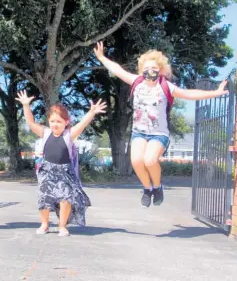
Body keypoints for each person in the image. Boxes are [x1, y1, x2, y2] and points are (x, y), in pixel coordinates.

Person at [93, 41, 228, 208]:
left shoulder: (166, 87)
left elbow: (189, 94)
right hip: (139, 132)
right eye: (147, 69)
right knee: (136, 161)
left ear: (161, 71)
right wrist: (101, 57)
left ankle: (157, 187)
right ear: (142, 69)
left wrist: (214, 93)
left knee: (150, 160)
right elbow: (117, 70)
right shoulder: (136, 82)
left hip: (159, 134)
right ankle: (147, 188)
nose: (150, 72)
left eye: (154, 69)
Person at [16, 91, 106, 237]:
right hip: (47, 170)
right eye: (52, 121)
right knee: (44, 197)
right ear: (49, 122)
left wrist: (91, 112)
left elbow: (82, 124)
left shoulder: (69, 135)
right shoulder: (45, 133)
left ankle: (62, 226)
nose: (55, 124)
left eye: (59, 121)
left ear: (66, 122)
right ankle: (44, 224)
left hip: (65, 171)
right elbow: (31, 123)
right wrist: (26, 105)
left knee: (65, 198)